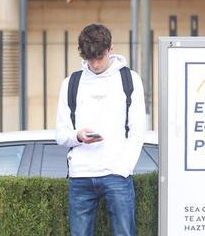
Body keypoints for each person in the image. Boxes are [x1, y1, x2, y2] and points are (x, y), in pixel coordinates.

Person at [56, 24, 147, 236]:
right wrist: (77, 136)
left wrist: (123, 167)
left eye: (100, 57)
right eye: (90, 58)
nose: (95, 64)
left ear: (110, 49)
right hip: (81, 175)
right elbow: (60, 134)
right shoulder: (71, 83)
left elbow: (137, 130)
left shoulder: (129, 80)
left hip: (117, 174)